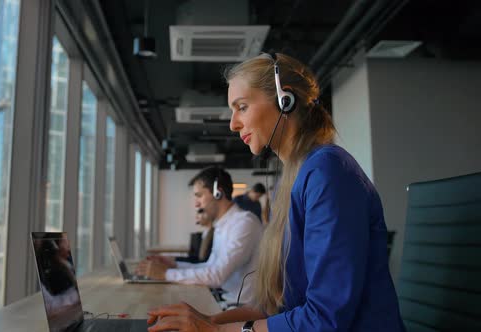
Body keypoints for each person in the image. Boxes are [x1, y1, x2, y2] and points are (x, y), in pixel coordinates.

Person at [146, 53, 405, 331]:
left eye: (242, 107)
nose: (233, 124)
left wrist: (218, 331)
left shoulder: (328, 172)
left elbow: (325, 319)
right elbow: (282, 306)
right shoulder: (295, 178)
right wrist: (208, 321)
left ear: (285, 100)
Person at [136, 167, 263, 304]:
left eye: (199, 195)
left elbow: (216, 276)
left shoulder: (244, 223)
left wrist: (165, 274)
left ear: (217, 193)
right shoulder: (223, 224)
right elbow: (210, 267)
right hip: (222, 297)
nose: (197, 204)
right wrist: (175, 265)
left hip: (237, 306)